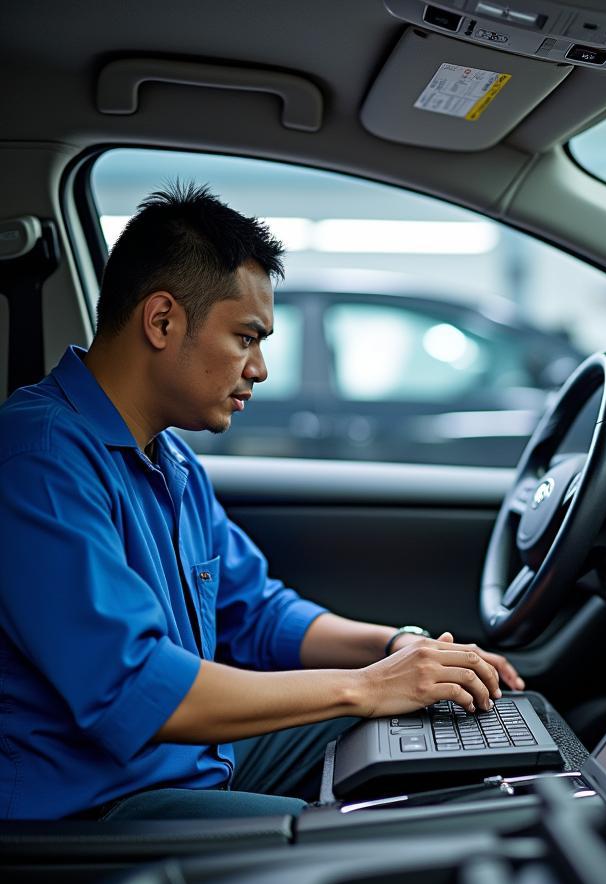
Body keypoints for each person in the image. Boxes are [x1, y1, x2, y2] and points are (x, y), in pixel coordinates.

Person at [0, 183, 524, 822]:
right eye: (246, 338)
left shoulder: (172, 461)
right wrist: (365, 688)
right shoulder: (37, 457)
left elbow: (258, 615)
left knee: (454, 753)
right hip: (101, 808)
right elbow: (136, 688)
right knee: (403, 835)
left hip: (197, 762)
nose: (260, 368)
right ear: (162, 320)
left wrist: (400, 648)